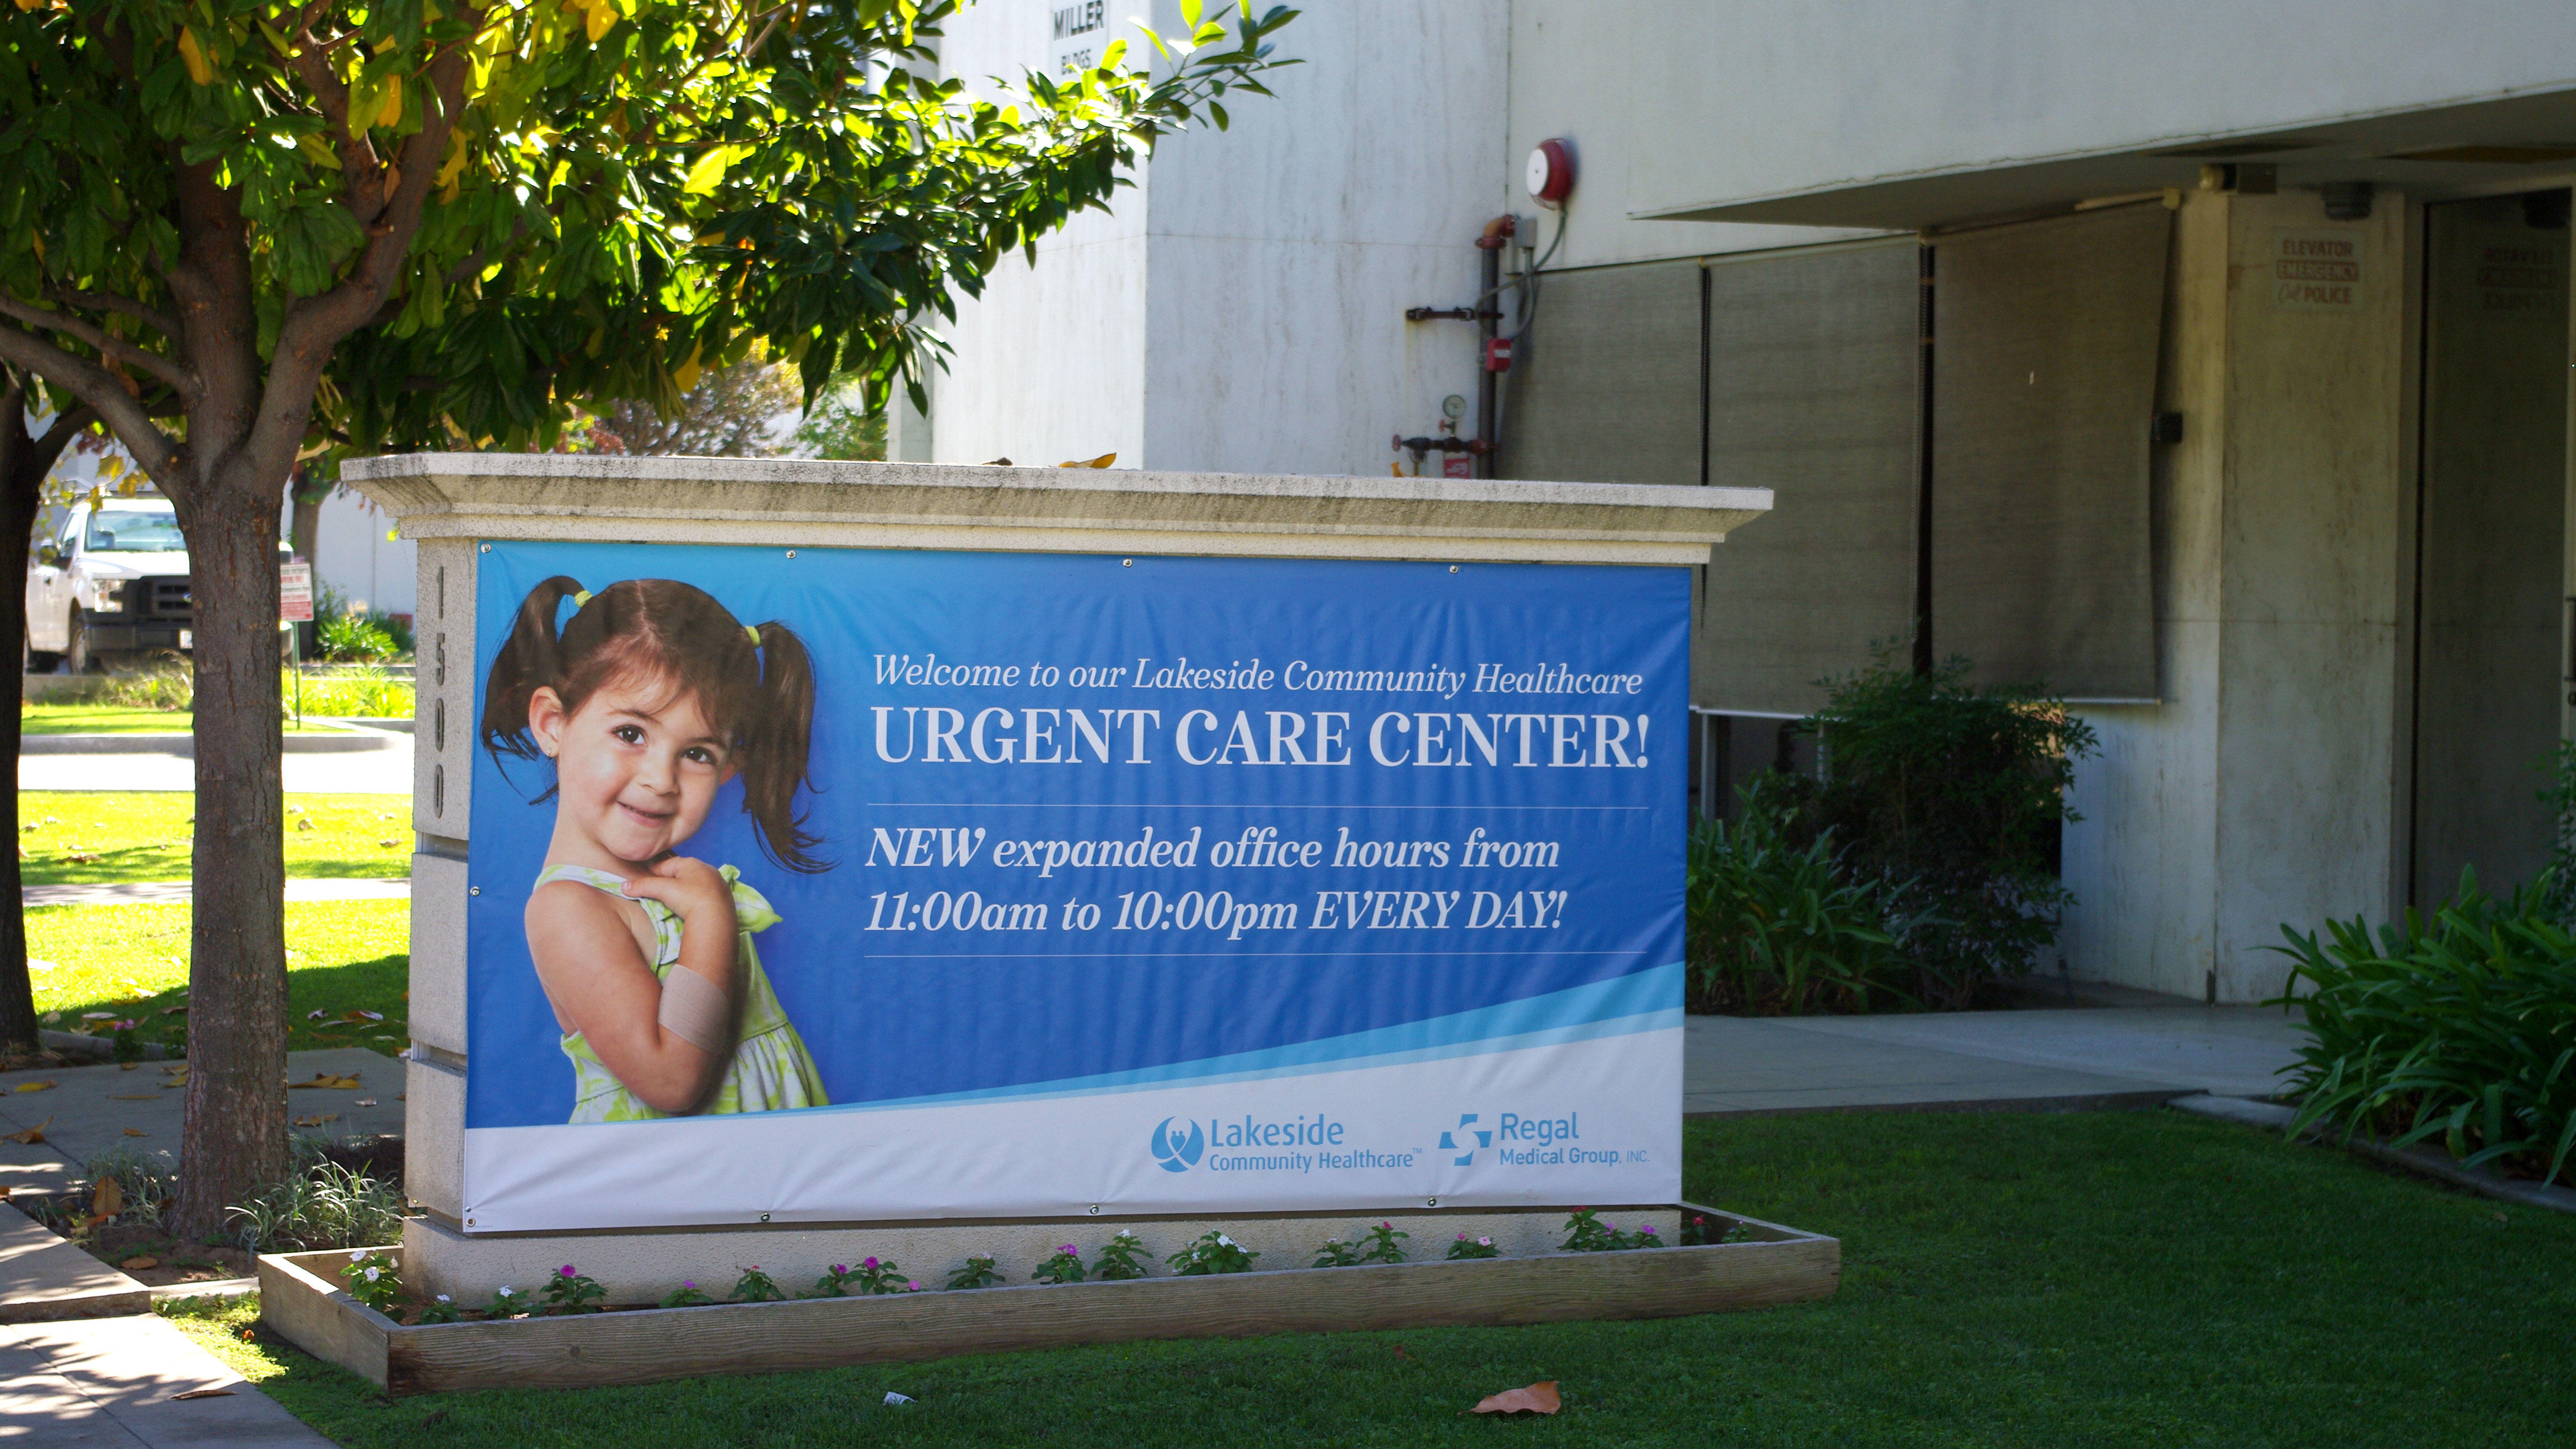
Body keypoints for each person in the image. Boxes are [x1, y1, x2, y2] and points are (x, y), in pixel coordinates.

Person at [481, 576, 829, 1122]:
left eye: (696, 752)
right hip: (670, 1194)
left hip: (761, 1182)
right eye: (630, 734)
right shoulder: (569, 909)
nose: (661, 779)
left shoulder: (673, 891)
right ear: (553, 724)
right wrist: (713, 913)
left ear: (726, 771)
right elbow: (672, 1082)